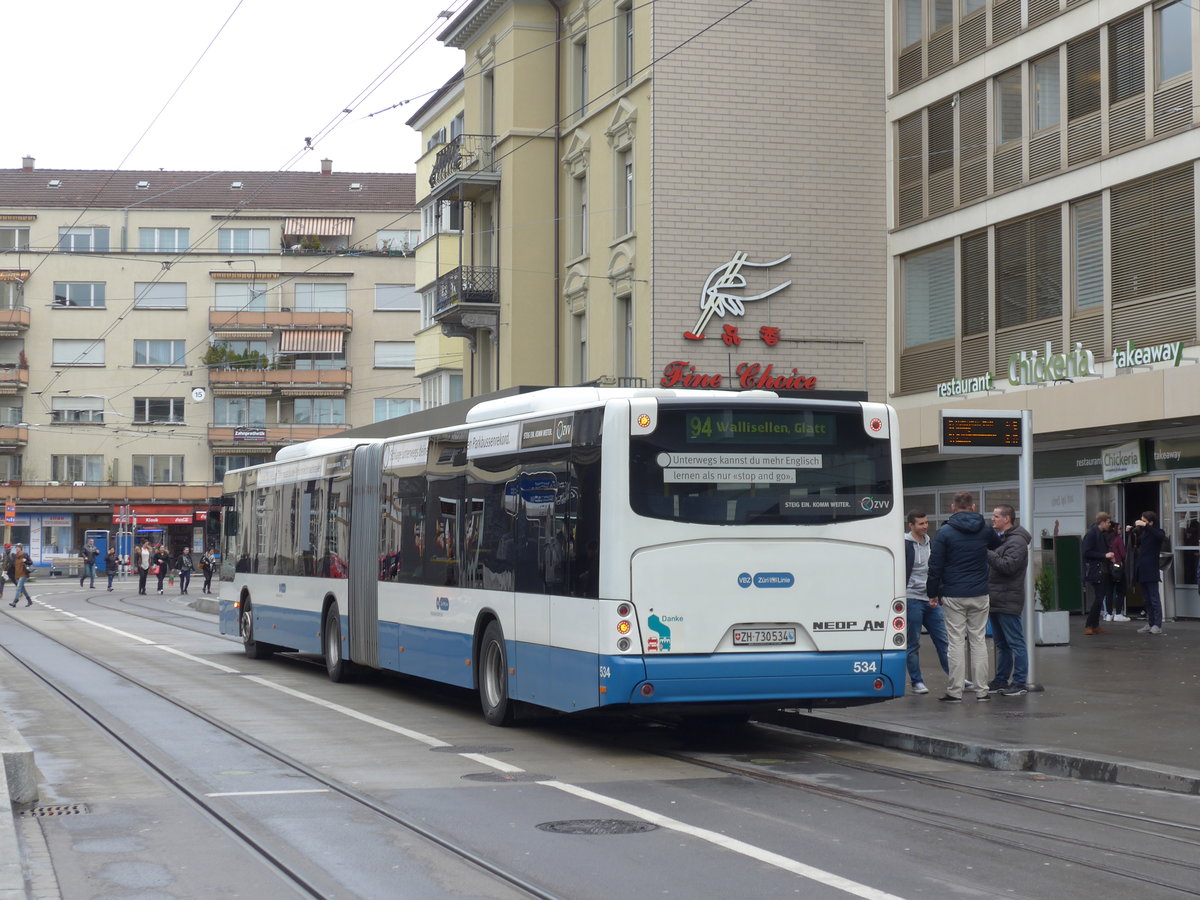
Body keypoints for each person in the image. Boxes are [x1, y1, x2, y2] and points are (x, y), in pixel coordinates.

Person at [926, 491, 1001, 702]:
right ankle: (982, 690)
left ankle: (955, 691)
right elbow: (996, 544)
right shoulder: (985, 529)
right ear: (974, 507)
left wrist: (932, 593)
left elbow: (935, 566)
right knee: (978, 641)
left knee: (956, 642)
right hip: (979, 592)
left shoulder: (944, 532)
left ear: (953, 508)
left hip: (953, 594)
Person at [986, 505, 1032, 696]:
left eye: (996, 516)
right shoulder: (1003, 540)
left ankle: (1020, 682)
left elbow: (1008, 566)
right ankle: (1001, 680)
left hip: (1008, 598)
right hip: (997, 597)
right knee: (1001, 643)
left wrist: (986, 552)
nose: (992, 519)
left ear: (1007, 519)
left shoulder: (1017, 541)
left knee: (1015, 642)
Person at [903, 509, 948, 695]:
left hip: (931, 599)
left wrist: (937, 593)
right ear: (911, 525)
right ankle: (917, 682)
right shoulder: (904, 544)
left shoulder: (932, 543)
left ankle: (956, 676)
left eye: (926, 523)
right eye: (921, 523)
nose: (925, 526)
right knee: (913, 643)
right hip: (912, 598)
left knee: (943, 641)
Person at [1131, 511, 1167, 634]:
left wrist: (1147, 527)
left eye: (1144, 521)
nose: (1142, 523)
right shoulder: (1145, 534)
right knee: (1146, 599)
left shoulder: (1157, 532)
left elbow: (1160, 536)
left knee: (1154, 598)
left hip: (1151, 569)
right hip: (1142, 569)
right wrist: (1132, 532)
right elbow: (1135, 544)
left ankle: (1158, 624)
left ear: (1151, 522)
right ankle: (1150, 622)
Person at [1081, 512, 1115, 635]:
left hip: (1102, 569)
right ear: (1102, 522)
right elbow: (1086, 552)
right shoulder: (1091, 534)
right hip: (1095, 570)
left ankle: (1094, 625)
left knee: (1100, 597)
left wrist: (1108, 556)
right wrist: (1104, 555)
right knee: (1099, 597)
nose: (1109, 524)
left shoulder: (1102, 534)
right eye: (1108, 522)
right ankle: (1089, 624)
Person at [1106, 525, 1129, 622]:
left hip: (1108, 567)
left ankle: (1109, 614)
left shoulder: (1106, 539)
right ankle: (1118, 613)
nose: (1121, 530)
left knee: (1109, 592)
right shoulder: (1118, 539)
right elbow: (1123, 554)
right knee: (1121, 590)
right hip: (1118, 567)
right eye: (1119, 528)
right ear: (1115, 529)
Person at [7, 543, 34, 608]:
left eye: (18, 547)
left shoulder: (24, 554)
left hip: (24, 574)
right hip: (17, 574)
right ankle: (29, 601)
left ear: (21, 548)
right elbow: (12, 565)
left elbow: (31, 562)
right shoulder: (15, 556)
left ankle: (15, 601)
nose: (17, 548)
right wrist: (7, 572)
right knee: (22, 589)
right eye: (16, 547)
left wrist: (25, 561)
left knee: (18, 587)